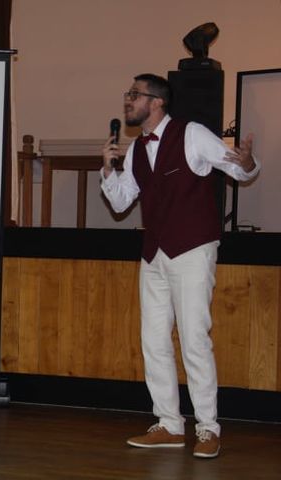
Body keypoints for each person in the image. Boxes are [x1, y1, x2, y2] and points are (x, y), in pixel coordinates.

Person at [100, 74, 259, 459]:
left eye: (134, 95)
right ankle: (169, 424)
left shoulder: (192, 134)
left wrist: (248, 162)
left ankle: (208, 428)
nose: (128, 100)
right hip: (153, 253)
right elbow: (121, 203)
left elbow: (239, 169)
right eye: (128, 94)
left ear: (156, 102)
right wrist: (109, 170)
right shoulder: (137, 149)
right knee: (153, 341)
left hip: (192, 249)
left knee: (194, 339)